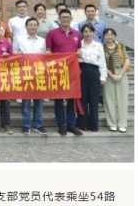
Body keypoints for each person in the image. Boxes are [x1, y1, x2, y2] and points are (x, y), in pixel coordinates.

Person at [46, 8, 83, 136]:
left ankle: (71, 125)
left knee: (73, 98)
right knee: (59, 99)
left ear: (71, 19)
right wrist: (48, 54)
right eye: (63, 17)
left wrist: (79, 52)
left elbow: (79, 49)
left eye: (67, 17)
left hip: (73, 70)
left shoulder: (77, 34)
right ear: (59, 19)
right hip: (58, 71)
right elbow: (48, 50)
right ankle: (61, 124)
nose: (65, 19)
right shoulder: (52, 33)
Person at [12, 17, 48, 135]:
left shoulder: (42, 41)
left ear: (37, 27)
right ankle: (26, 125)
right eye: (30, 25)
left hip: (39, 73)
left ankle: (38, 125)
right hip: (25, 73)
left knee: (39, 101)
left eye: (35, 25)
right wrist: (17, 54)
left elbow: (44, 56)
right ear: (26, 27)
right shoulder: (19, 39)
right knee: (26, 101)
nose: (33, 27)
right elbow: (14, 54)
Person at [77, 24, 107, 132]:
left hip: (94, 72)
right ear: (82, 33)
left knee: (94, 99)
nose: (88, 34)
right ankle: (83, 123)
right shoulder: (78, 45)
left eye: (90, 31)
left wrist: (103, 77)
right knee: (82, 98)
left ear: (93, 33)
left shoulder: (98, 45)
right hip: (81, 71)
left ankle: (94, 124)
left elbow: (102, 62)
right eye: (85, 32)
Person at [102, 28, 130, 133]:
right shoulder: (101, 48)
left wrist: (120, 74)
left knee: (122, 100)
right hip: (107, 74)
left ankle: (122, 124)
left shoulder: (120, 47)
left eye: (112, 34)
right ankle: (112, 123)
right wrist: (112, 75)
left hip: (120, 72)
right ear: (104, 36)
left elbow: (127, 61)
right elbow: (101, 63)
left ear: (115, 36)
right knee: (109, 100)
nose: (110, 36)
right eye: (107, 35)